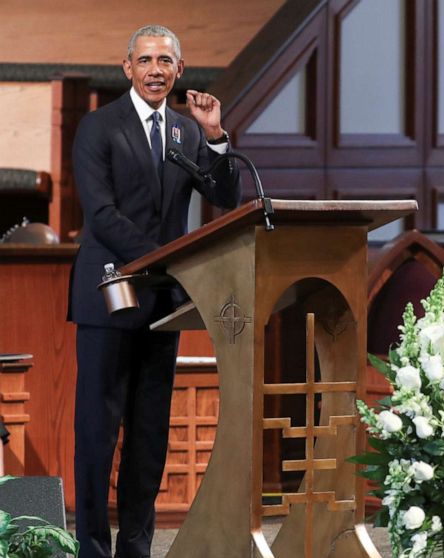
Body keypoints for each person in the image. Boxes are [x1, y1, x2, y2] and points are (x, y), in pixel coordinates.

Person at [68, 25, 241, 558]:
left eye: (165, 60)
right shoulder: (99, 128)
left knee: (148, 436)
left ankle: (137, 548)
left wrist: (214, 136)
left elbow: (226, 198)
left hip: (164, 303)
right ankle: (93, 548)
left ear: (179, 70)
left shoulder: (185, 132)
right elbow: (101, 217)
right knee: (99, 434)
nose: (155, 70)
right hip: (110, 296)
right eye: (145, 60)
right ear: (127, 69)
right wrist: (164, 259)